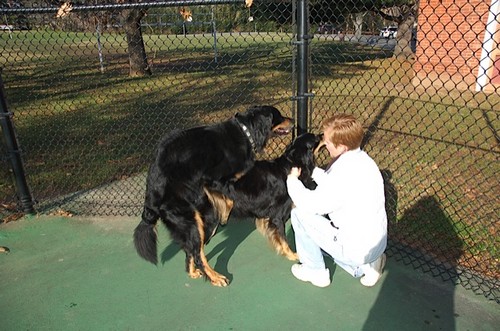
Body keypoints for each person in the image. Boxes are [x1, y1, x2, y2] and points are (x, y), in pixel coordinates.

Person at [286, 114, 387, 287]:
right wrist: (313, 171)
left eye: (327, 142)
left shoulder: (341, 175)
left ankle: (315, 271)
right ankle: (368, 265)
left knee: (298, 214)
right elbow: (336, 187)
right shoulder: (364, 162)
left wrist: (292, 180)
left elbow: (310, 204)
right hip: (375, 242)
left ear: (342, 147)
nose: (324, 145)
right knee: (323, 235)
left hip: (355, 248)